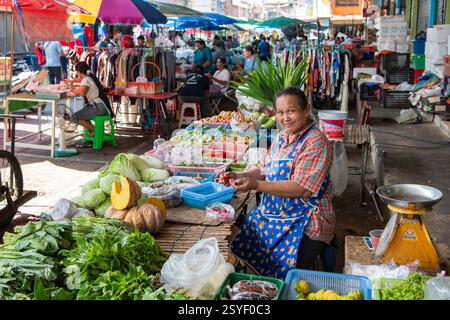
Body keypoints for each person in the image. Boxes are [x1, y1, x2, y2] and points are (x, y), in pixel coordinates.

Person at [221, 87, 335, 279]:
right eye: (280, 113)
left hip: (307, 222)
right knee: (239, 240)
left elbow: (302, 188)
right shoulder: (282, 137)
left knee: (281, 274)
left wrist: (254, 185)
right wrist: (239, 174)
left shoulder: (316, 142)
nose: (285, 118)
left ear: (306, 110)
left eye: (291, 111)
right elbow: (264, 170)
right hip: (274, 216)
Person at [67, 62, 113, 144]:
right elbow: (82, 87)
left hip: (98, 107)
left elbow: (82, 93)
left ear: (79, 72)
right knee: (83, 114)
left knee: (74, 117)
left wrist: (72, 89)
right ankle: (93, 132)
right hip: (101, 105)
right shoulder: (89, 77)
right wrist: (73, 83)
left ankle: (95, 130)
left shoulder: (86, 80)